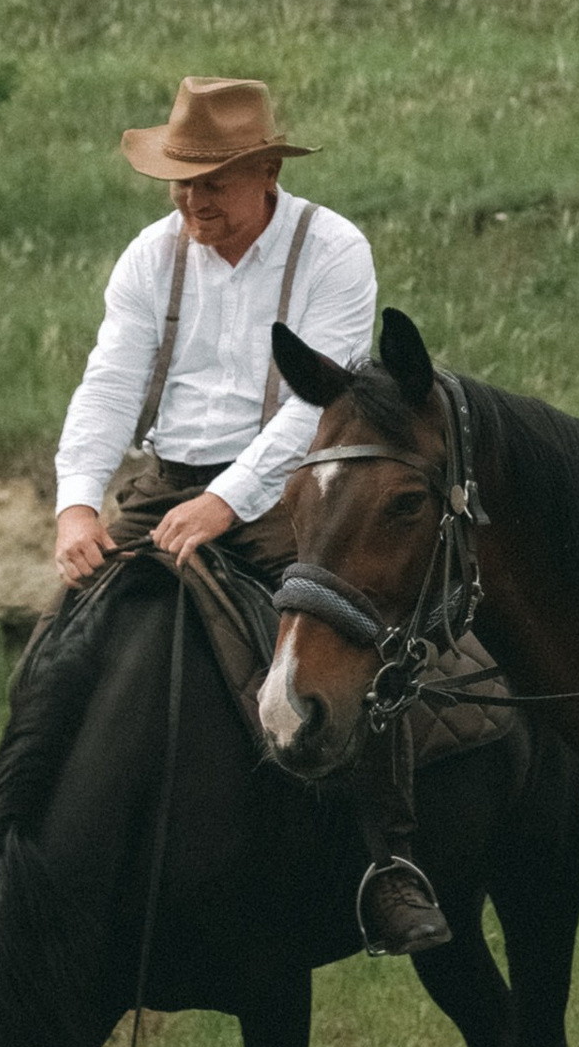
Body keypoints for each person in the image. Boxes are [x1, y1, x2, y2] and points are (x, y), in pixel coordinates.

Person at [51, 73, 441, 956]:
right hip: (165, 483)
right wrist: (77, 504)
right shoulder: (151, 256)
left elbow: (321, 403)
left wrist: (227, 502)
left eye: (213, 182)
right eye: (181, 182)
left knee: (346, 630)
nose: (193, 201)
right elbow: (109, 383)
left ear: (267, 172)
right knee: (60, 641)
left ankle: (390, 861)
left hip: (295, 489)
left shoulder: (331, 250)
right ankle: (24, 838)